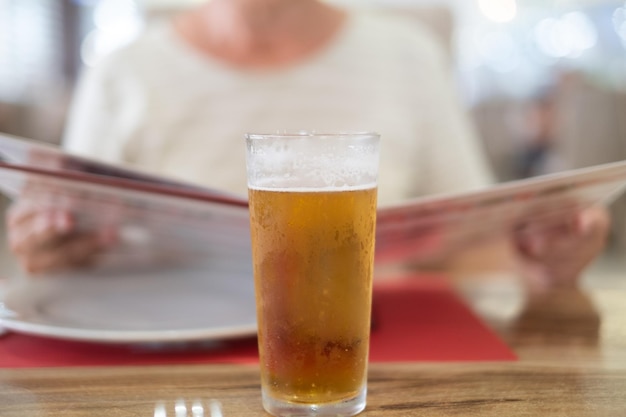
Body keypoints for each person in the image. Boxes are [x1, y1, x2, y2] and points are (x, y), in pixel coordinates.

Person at [6, 0, 609, 292]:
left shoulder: (410, 57)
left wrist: (539, 257)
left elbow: (471, 248)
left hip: (368, 359)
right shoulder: (121, 72)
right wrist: (50, 246)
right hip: (159, 361)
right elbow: (70, 254)